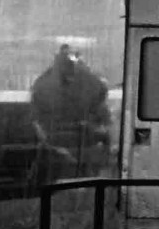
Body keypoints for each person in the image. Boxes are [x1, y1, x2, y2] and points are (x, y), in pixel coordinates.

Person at [30, 43, 112, 174]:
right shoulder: (43, 86)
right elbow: (36, 120)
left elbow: (104, 120)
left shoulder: (92, 84)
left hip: (83, 143)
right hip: (59, 146)